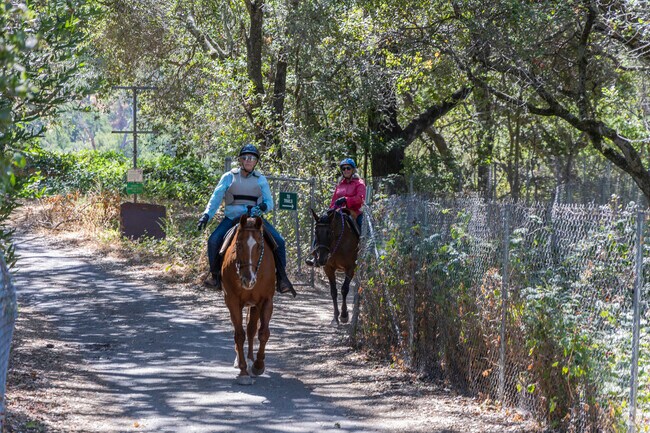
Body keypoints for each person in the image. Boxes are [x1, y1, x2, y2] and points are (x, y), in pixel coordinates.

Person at [197, 144, 296, 297]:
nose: (249, 161)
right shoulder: (228, 176)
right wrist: (206, 215)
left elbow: (270, 203)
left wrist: (262, 207)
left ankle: (281, 279)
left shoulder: (260, 179)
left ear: (256, 161)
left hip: (255, 219)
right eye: (246, 158)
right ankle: (215, 276)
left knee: (279, 241)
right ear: (240, 160)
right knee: (213, 240)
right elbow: (215, 199)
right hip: (232, 218)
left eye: (252, 158)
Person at [305, 157, 366, 266]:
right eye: (344, 169)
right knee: (322, 225)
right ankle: (314, 253)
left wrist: (346, 199)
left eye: (348, 168)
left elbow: (360, 199)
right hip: (338, 212)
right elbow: (333, 201)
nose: (346, 170)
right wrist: (331, 210)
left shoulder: (359, 183)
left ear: (353, 170)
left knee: (363, 228)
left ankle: (364, 253)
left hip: (354, 212)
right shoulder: (340, 185)